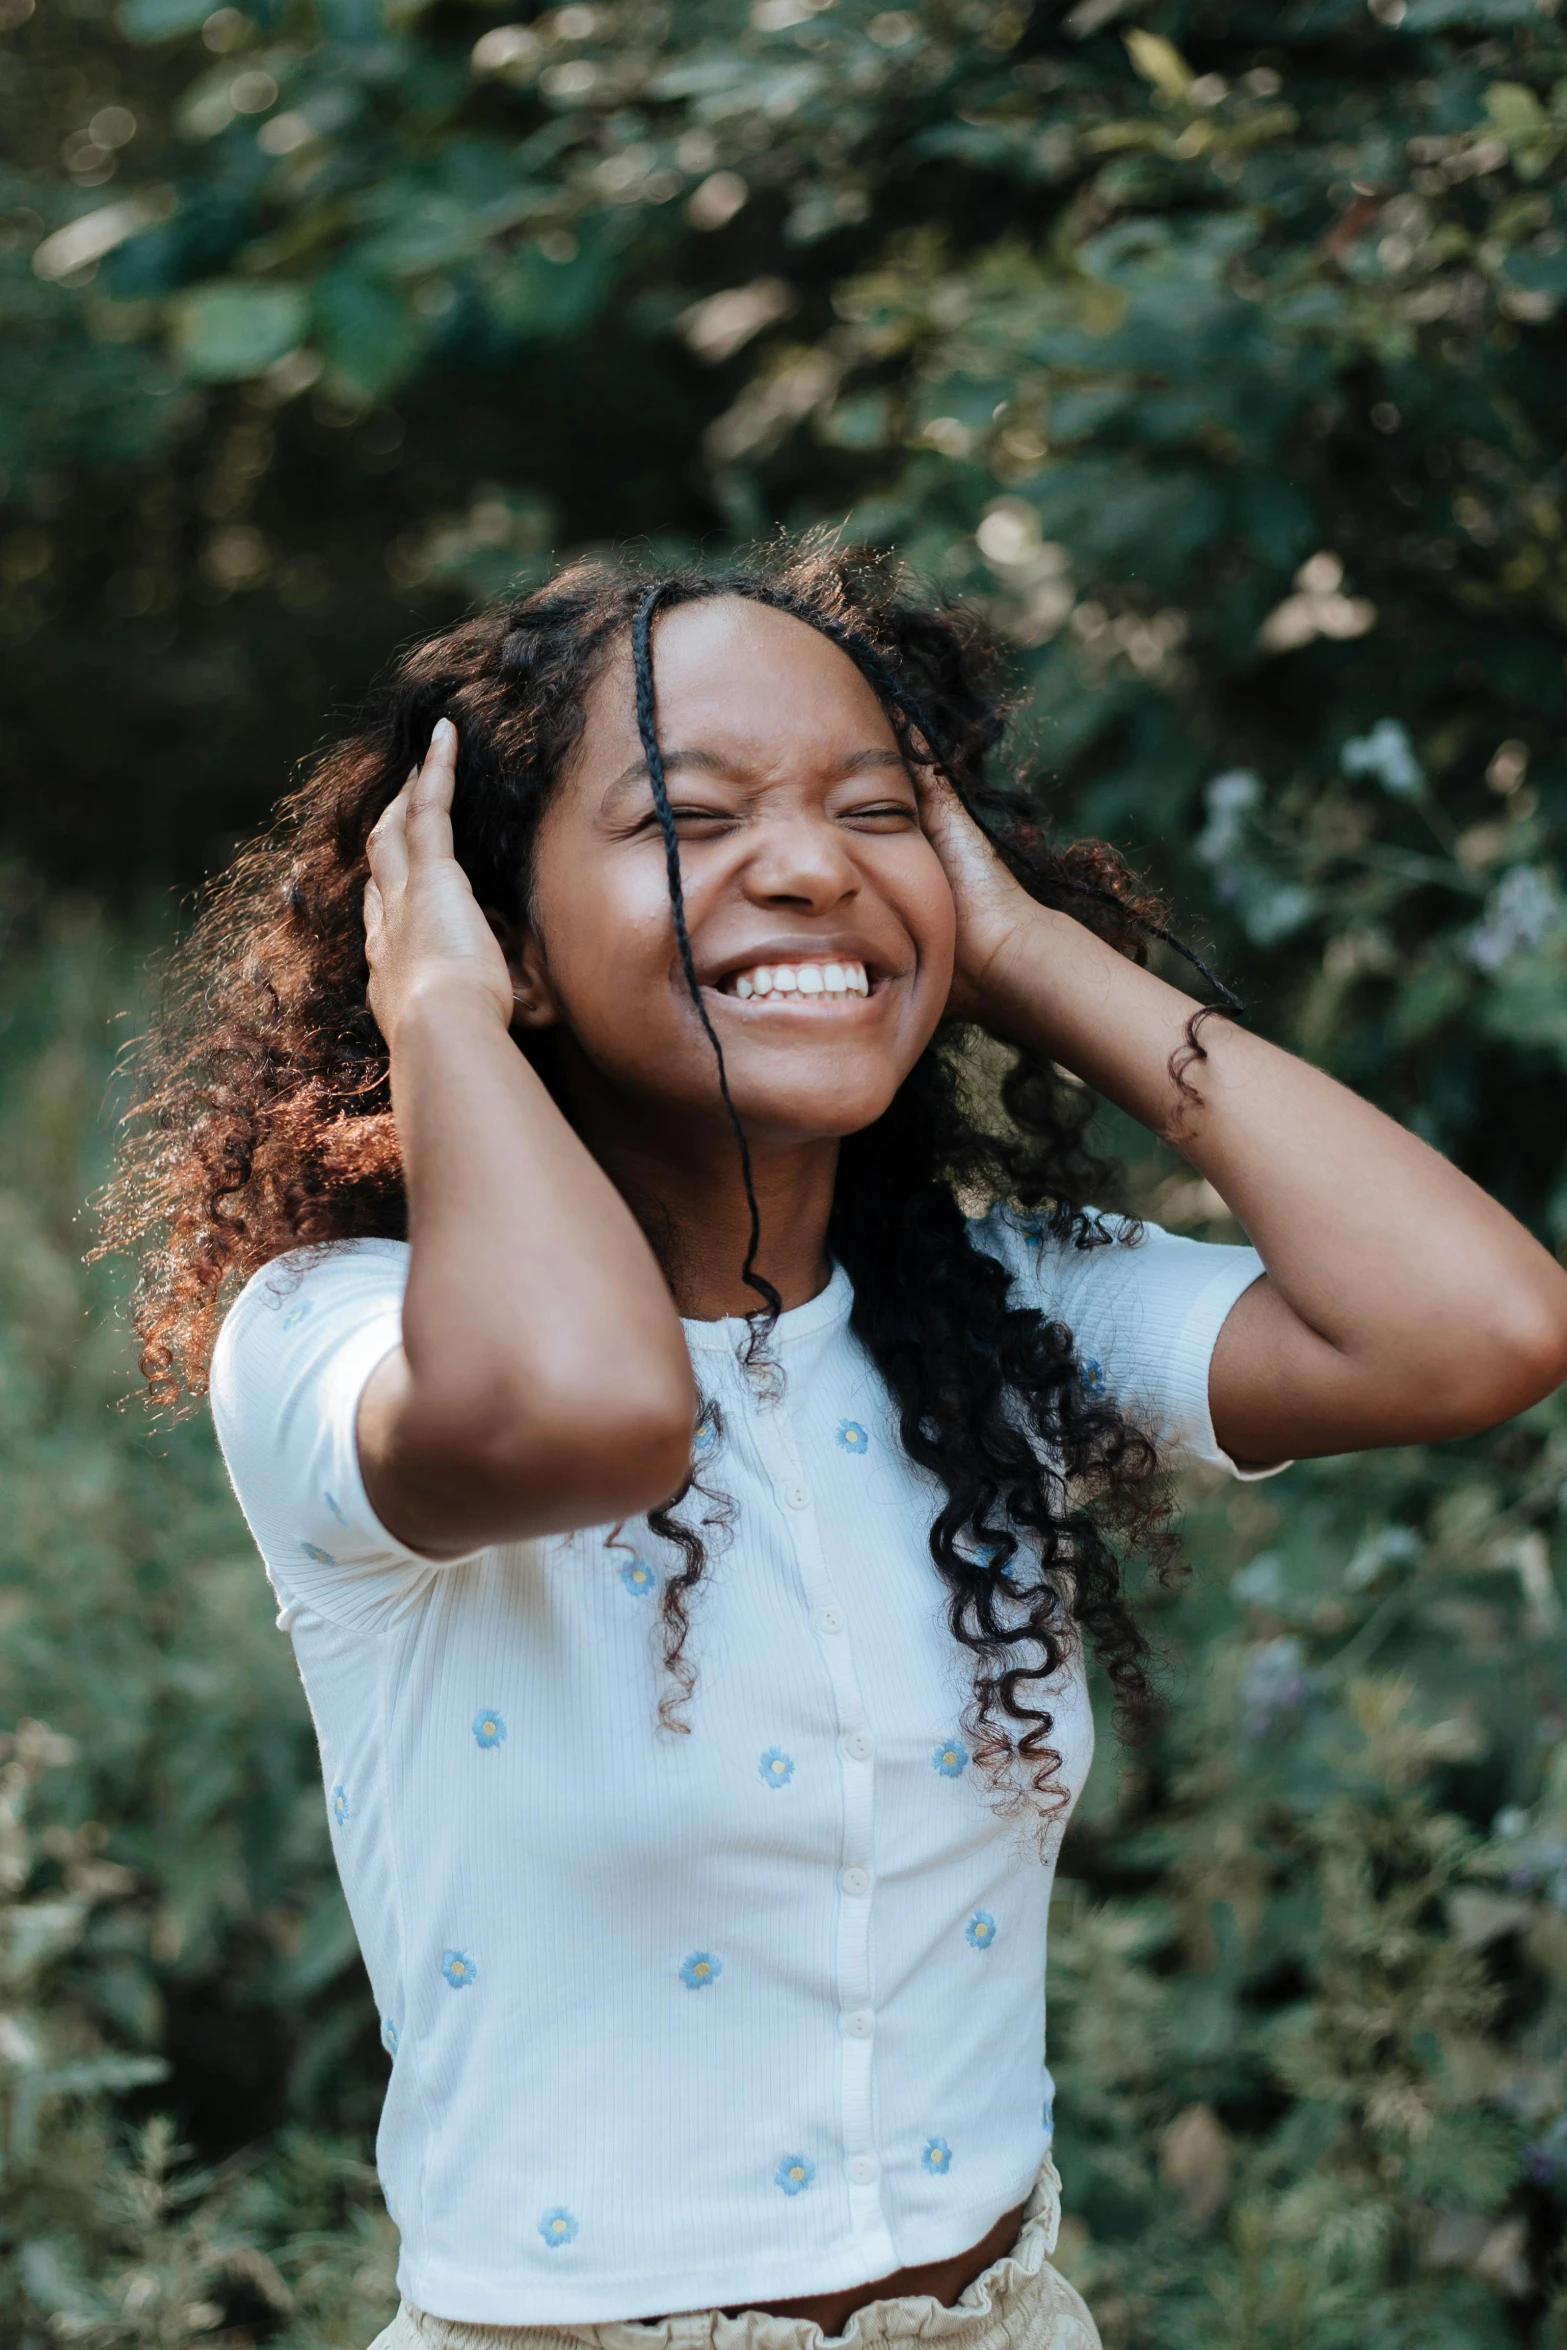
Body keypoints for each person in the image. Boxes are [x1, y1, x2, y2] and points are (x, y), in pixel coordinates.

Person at [102, 538, 1567, 2350]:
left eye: (877, 812)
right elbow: (592, 1412)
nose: (805, 867)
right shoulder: (336, 1339)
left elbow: (1477, 1326)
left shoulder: (1000, 1318)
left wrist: (1023, 948)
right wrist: (442, 1018)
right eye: (686, 820)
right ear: (498, 931)